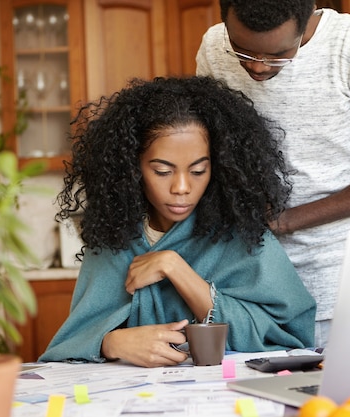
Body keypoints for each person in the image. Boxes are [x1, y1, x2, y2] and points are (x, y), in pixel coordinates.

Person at [39, 76, 316, 367]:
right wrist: (110, 342)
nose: (181, 187)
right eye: (162, 171)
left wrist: (175, 268)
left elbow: (289, 336)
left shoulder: (240, 236)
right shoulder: (114, 238)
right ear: (132, 168)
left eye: (198, 171)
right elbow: (67, 345)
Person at [196, 0, 350, 347]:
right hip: (250, 288)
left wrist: (285, 221)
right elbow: (206, 147)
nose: (257, 68)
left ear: (307, 19)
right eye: (243, 51)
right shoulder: (214, 47)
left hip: (346, 287)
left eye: (278, 54)